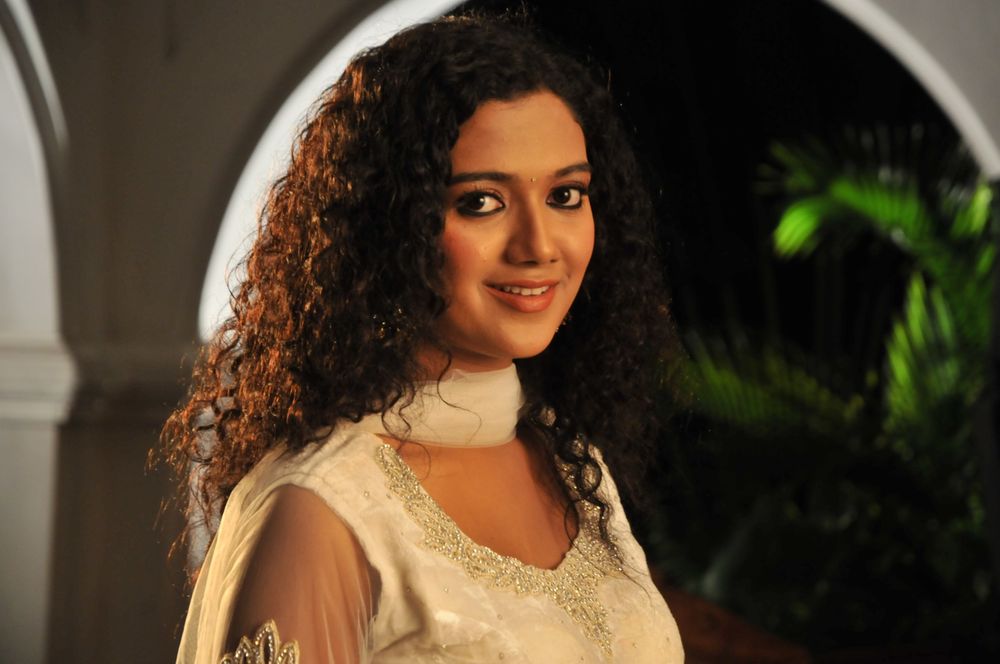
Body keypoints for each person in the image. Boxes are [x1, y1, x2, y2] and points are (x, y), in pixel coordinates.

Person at [159, 12, 684, 663]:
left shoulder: (573, 465)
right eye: (481, 202)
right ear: (388, 226)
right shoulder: (321, 508)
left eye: (566, 195)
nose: (539, 246)